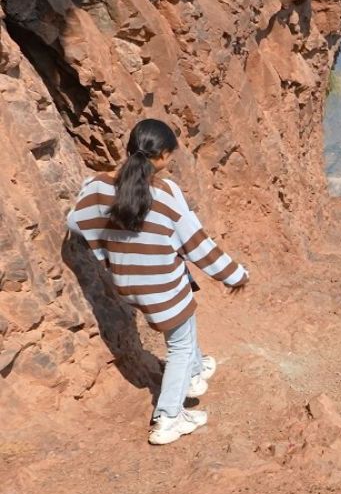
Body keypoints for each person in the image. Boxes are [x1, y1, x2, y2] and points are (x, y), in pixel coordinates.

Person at [67, 119, 249, 445]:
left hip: (129, 287)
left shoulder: (97, 188)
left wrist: (109, 246)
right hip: (164, 289)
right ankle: (169, 416)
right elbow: (198, 246)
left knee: (182, 327)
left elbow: (75, 222)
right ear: (163, 156)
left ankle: (196, 366)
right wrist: (236, 275)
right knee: (178, 344)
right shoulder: (164, 196)